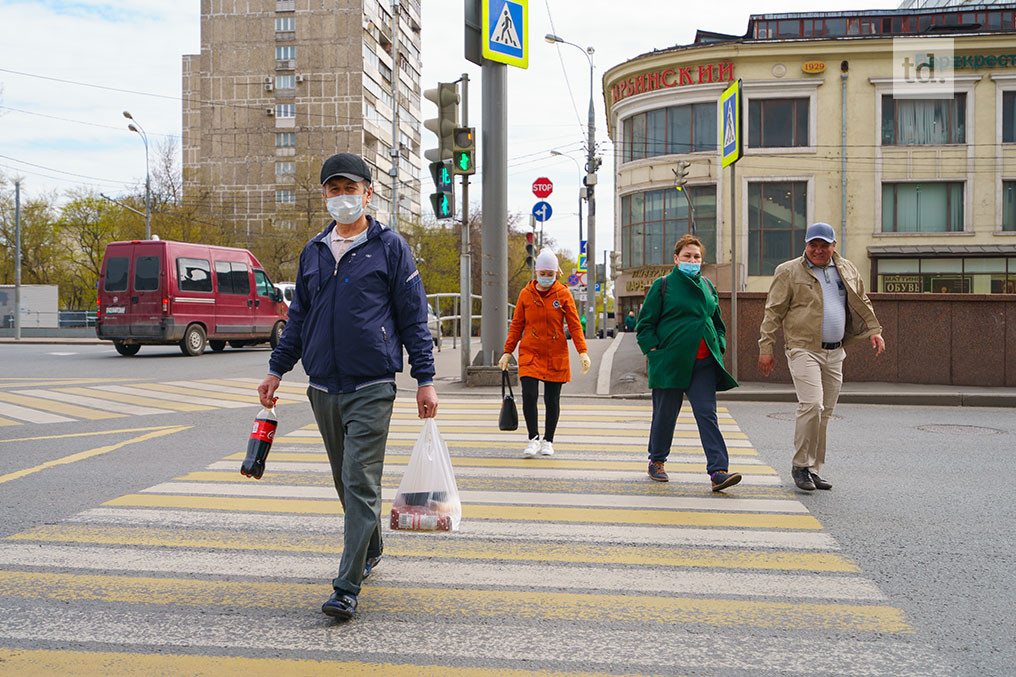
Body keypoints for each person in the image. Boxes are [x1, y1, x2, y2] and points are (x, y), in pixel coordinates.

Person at [257, 152, 438, 621]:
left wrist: (425, 379)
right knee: (345, 480)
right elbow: (298, 318)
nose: (342, 197)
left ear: (368, 192)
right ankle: (372, 544)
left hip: (373, 384)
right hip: (323, 387)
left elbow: (413, 318)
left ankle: (346, 586)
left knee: (360, 480)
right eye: (333, 190)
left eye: (349, 188)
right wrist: (277, 370)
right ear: (324, 196)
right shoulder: (314, 251)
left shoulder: (391, 247)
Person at [757, 222, 885, 492]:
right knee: (812, 405)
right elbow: (773, 313)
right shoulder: (788, 271)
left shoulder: (847, 269)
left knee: (825, 412)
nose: (818, 250)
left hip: (836, 351)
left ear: (833, 246)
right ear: (805, 245)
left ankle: (814, 469)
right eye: (813, 245)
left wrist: (874, 330)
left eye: (824, 245)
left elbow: (863, 300)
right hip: (803, 348)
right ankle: (800, 465)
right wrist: (765, 349)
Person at [636, 234, 741, 492]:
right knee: (665, 415)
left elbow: (716, 319)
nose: (692, 260)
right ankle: (657, 461)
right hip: (670, 362)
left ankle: (718, 471)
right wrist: (654, 350)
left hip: (703, 362)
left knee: (707, 415)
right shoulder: (663, 286)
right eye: (687, 256)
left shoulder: (706, 284)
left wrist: (720, 342)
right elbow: (645, 326)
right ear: (676, 259)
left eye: (696, 256)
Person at [499, 248, 591, 456]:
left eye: (550, 274)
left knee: (552, 398)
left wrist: (582, 352)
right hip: (530, 352)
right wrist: (507, 352)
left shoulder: (564, 294)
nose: (546, 277)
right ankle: (533, 438)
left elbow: (575, 325)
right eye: (543, 274)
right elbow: (516, 326)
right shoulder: (525, 294)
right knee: (529, 395)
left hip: (555, 353)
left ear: (556, 273)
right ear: (537, 273)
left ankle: (549, 440)